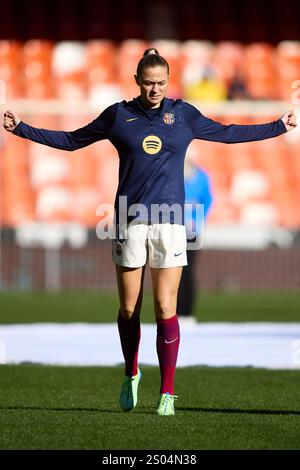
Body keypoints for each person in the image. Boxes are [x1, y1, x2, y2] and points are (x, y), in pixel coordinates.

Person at [3, 48, 297, 416]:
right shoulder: (118, 115)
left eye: (160, 83)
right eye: (148, 82)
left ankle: (168, 392)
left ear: (168, 82)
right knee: (128, 309)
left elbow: (228, 134)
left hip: (171, 221)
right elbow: (73, 140)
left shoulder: (185, 115)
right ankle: (131, 373)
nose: (155, 89)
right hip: (128, 219)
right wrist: (22, 129)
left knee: (165, 308)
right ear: (137, 81)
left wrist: (278, 126)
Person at [177, 157, 213, 327]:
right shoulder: (173, 173)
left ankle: (186, 312)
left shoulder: (201, 176)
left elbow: (207, 201)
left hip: (191, 230)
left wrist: (197, 220)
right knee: (171, 271)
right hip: (172, 227)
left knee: (188, 272)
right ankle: (171, 313)